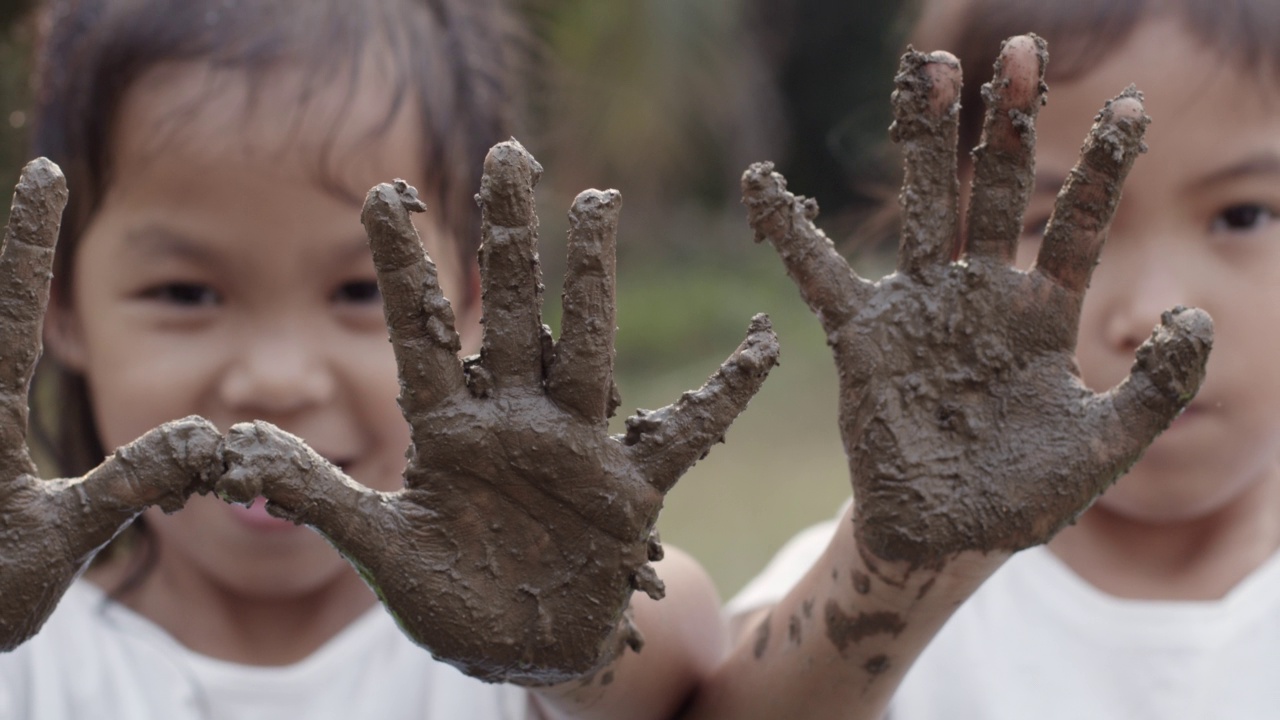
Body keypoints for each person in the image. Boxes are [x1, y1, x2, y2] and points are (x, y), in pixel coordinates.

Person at [0, 0, 764, 717]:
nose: (277, 379)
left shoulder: (517, 653)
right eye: (186, 293)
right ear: (59, 306)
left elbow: (679, 653)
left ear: (474, 303)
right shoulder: (26, 663)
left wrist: (574, 631)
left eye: (363, 289)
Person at [723, 0, 1280, 718]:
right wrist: (890, 581)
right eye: (1051, 222)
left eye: (1244, 215)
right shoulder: (860, 585)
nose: (1151, 310)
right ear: (950, 244)